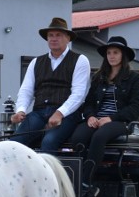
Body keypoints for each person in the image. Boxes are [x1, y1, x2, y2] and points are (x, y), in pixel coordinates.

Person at [69, 36, 139, 197]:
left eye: (115, 52)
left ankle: (86, 181)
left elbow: (135, 108)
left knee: (100, 136)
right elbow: (88, 102)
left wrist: (111, 118)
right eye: (109, 53)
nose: (111, 56)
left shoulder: (134, 78)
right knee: (77, 137)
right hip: (97, 119)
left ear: (123, 55)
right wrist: (90, 117)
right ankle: (77, 176)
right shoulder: (98, 77)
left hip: (119, 122)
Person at [10, 17, 90, 152]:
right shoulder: (36, 62)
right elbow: (26, 90)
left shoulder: (80, 60)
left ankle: (48, 173)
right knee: (14, 143)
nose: (53, 38)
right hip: (39, 112)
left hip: (67, 115)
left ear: (68, 38)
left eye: (58, 35)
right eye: (50, 35)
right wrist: (21, 110)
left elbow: (79, 94)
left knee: (49, 142)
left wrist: (60, 113)